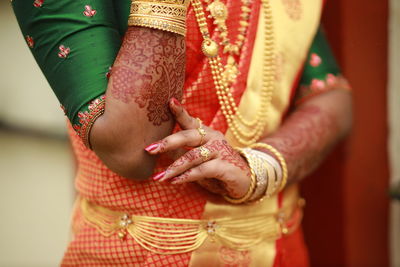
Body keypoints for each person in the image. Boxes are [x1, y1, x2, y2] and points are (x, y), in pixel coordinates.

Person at [12, 0, 352, 266]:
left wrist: (261, 168)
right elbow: (132, 149)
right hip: (140, 255)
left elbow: (330, 94)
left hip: (277, 247)